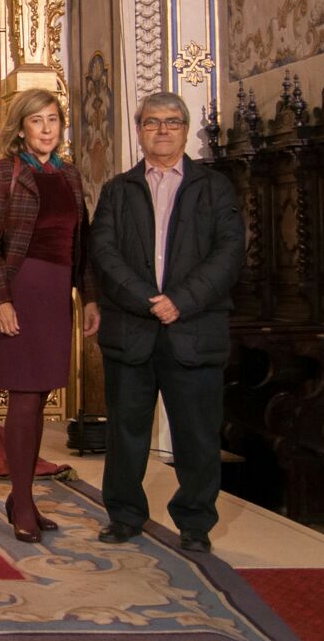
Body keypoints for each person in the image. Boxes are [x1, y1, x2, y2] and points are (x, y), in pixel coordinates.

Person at [89, 92, 244, 554]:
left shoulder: (215, 188)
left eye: (172, 122)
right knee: (125, 432)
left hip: (193, 330)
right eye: (153, 122)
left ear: (185, 129)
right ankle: (124, 515)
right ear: (139, 130)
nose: (162, 130)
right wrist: (147, 299)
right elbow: (104, 252)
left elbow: (229, 252)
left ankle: (195, 523)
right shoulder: (118, 190)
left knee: (196, 434)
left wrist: (181, 300)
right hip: (132, 330)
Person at [0, 89, 100, 543]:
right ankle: (23, 501)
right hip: (20, 290)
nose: (46, 129)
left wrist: (89, 297)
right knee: (24, 398)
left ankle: (22, 496)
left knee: (41, 395)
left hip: (55, 293)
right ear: (20, 127)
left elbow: (80, 244)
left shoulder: (69, 175)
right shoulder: (0, 173)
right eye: (37, 121)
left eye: (53, 120)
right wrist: (0, 299)